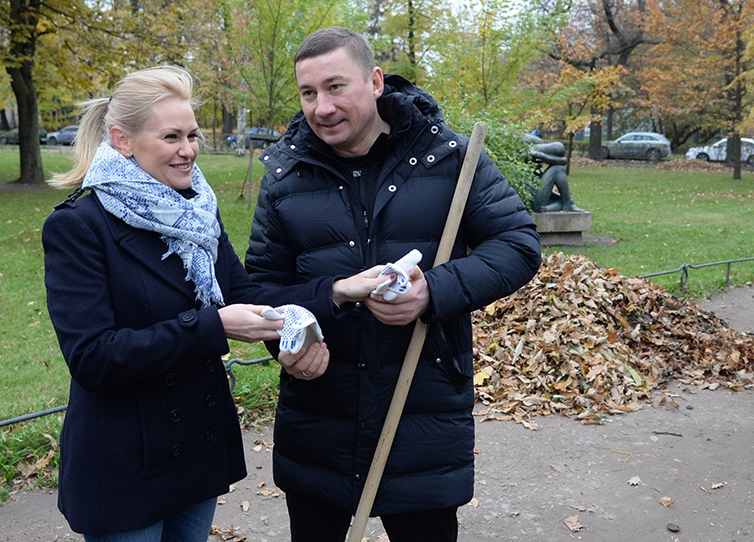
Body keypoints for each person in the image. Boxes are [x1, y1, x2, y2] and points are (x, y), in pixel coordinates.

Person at [42, 66, 384, 542]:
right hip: (127, 462)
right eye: (171, 137)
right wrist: (211, 325)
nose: (189, 150)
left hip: (195, 448)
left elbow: (244, 296)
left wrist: (337, 291)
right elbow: (94, 357)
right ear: (122, 141)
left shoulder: (197, 210)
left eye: (193, 135)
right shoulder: (80, 225)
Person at [245, 27, 543, 542]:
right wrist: (289, 341)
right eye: (308, 93)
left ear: (376, 81)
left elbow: (517, 245)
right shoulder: (285, 176)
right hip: (320, 419)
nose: (321, 108)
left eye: (336, 87)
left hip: (422, 412)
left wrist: (435, 291)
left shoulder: (447, 158)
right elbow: (263, 290)